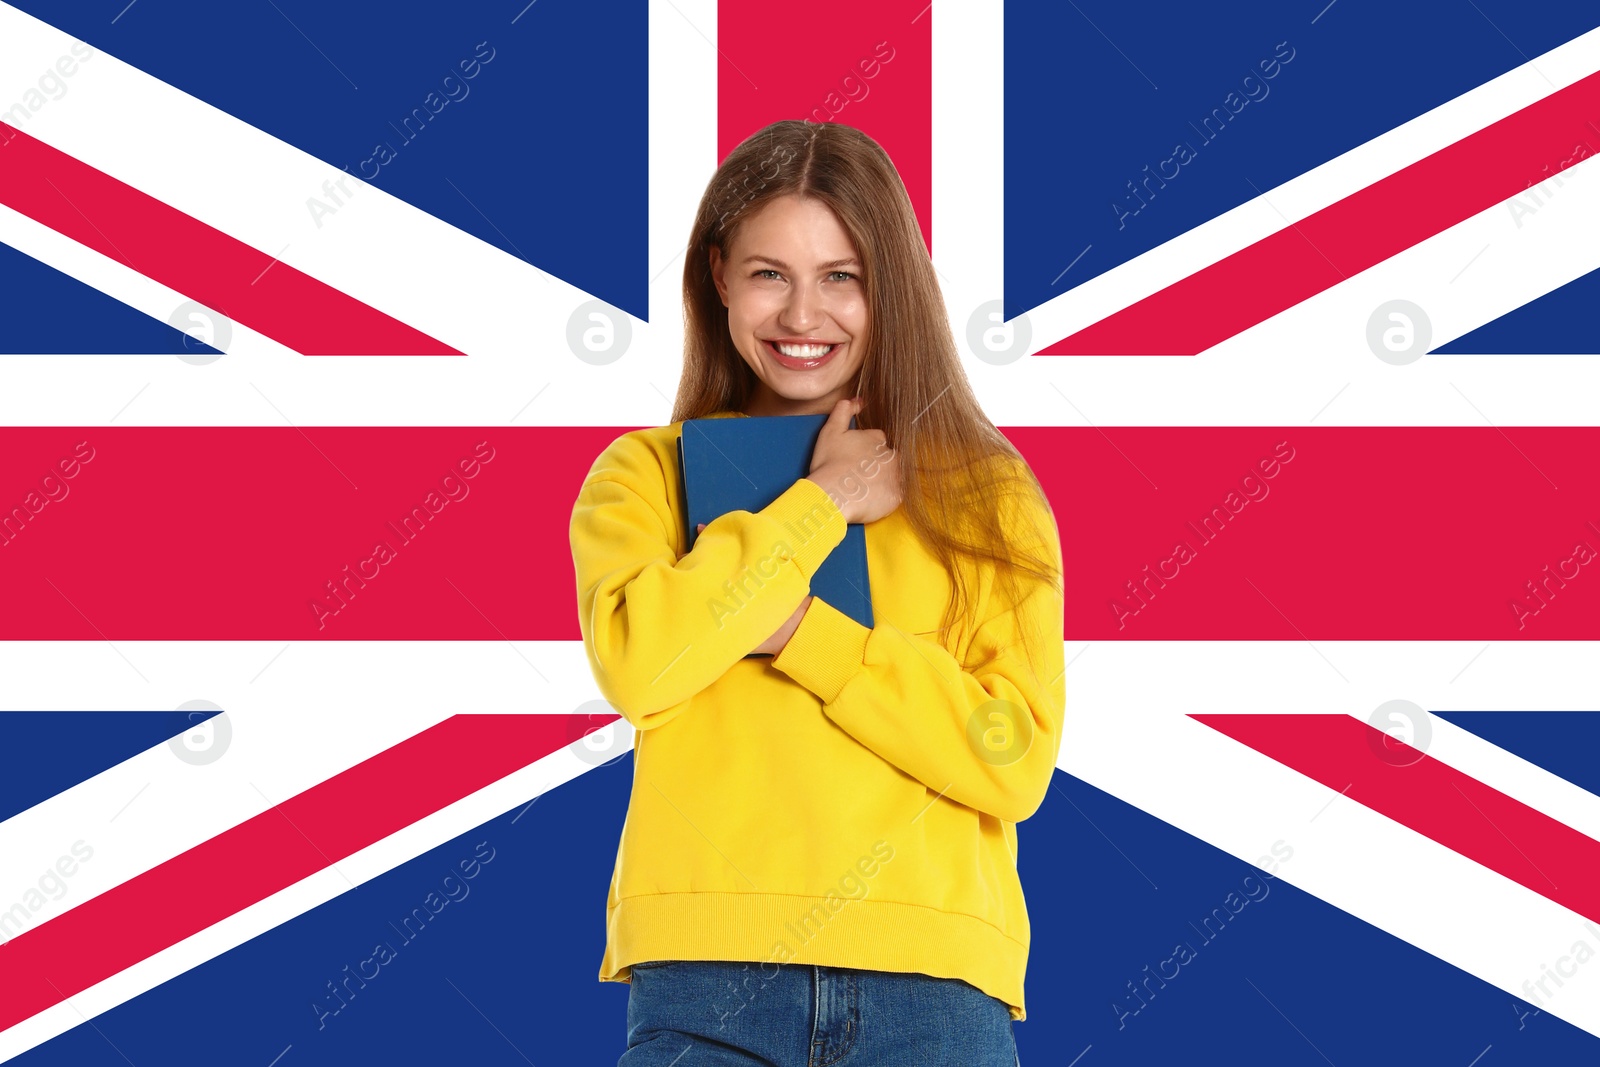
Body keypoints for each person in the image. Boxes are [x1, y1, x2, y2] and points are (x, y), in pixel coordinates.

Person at [569, 118, 1064, 1066]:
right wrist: (822, 505)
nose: (804, 316)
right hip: (705, 973)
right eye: (769, 274)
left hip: (935, 985)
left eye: (842, 276)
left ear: (892, 288)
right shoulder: (642, 477)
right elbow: (642, 662)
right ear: (718, 277)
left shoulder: (984, 493)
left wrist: (796, 629)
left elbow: (1014, 758)